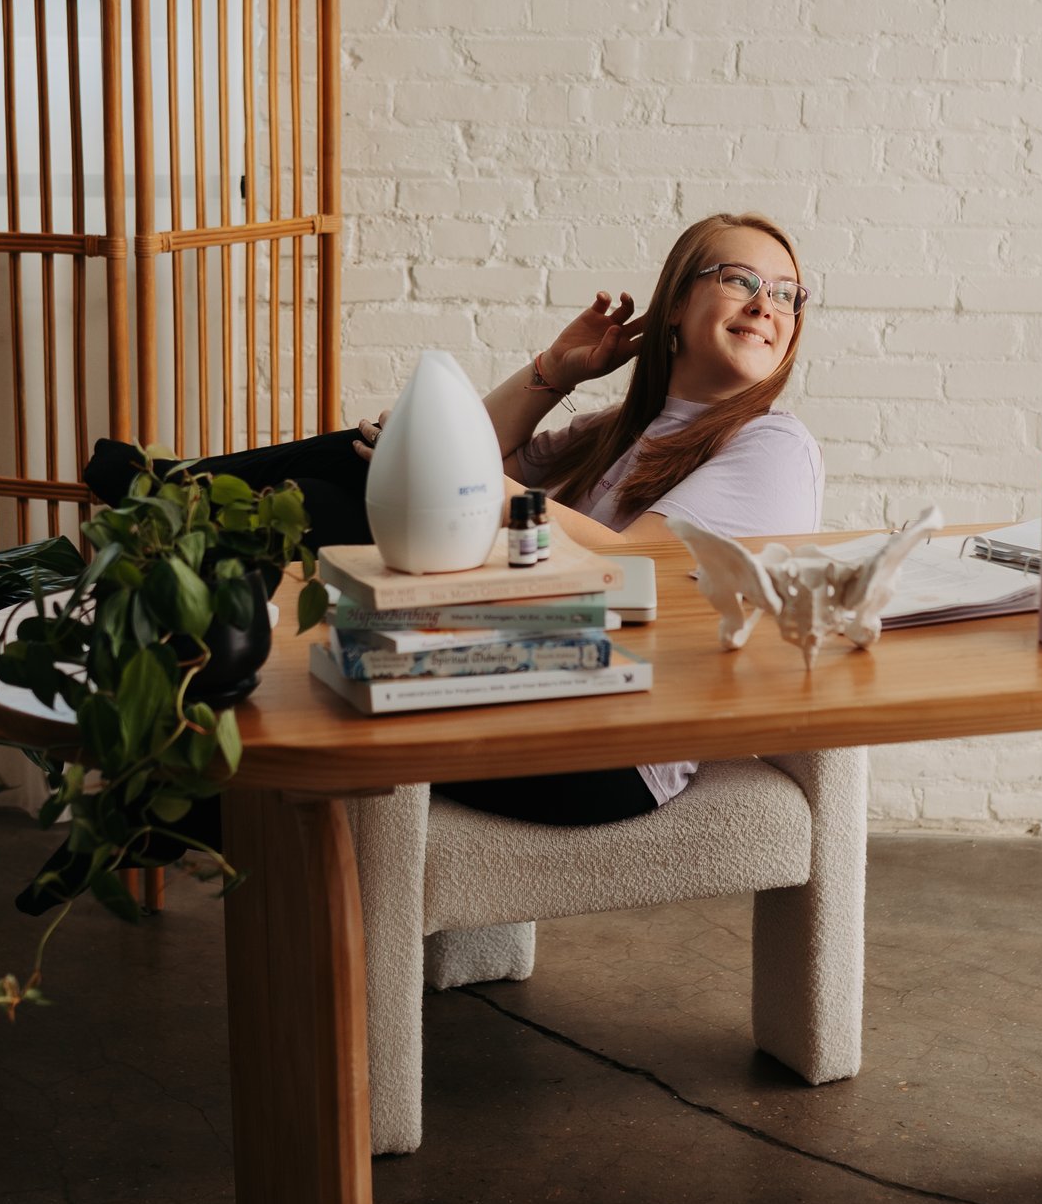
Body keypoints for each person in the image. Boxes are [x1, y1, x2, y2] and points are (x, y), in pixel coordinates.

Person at [55, 212, 820, 903]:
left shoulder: (771, 445)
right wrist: (557, 372)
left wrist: (454, 477)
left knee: (355, 491)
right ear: (677, 307)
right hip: (542, 676)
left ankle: (162, 503)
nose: (768, 304)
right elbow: (467, 449)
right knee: (364, 475)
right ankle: (164, 786)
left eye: (788, 294)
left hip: (612, 746)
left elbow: (640, 573)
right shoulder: (625, 426)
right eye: (741, 280)